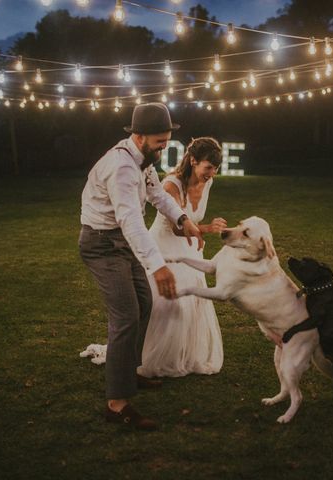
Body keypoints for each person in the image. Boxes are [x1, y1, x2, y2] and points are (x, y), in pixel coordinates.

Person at [78, 102, 203, 430]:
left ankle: (129, 372)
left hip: (120, 242)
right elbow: (130, 219)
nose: (164, 147)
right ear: (139, 136)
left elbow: (159, 194)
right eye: (160, 141)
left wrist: (182, 218)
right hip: (103, 245)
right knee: (125, 316)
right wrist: (158, 265)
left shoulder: (143, 159)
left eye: (166, 140)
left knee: (144, 303)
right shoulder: (121, 167)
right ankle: (117, 404)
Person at [138, 137, 226, 378]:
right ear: (194, 160)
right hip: (164, 246)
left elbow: (191, 222)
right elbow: (178, 226)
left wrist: (200, 230)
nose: (212, 174)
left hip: (189, 247)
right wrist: (207, 229)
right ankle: (155, 354)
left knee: (193, 299)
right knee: (169, 301)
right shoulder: (171, 185)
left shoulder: (207, 182)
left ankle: (186, 353)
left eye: (216, 169)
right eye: (208, 167)